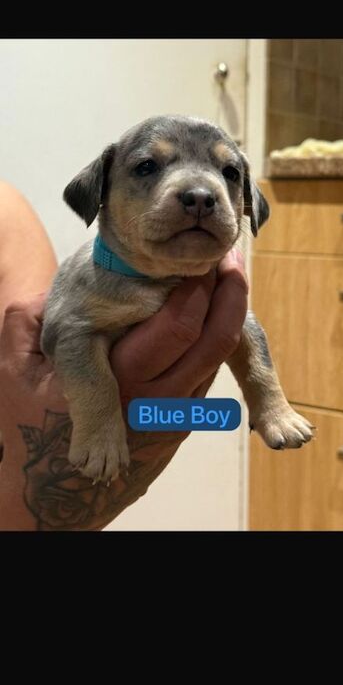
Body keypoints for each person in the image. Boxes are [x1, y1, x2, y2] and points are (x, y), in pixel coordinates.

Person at [0, 181, 248, 531]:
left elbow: (41, 381)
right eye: (147, 169)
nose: (199, 195)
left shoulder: (6, 214)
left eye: (228, 173)